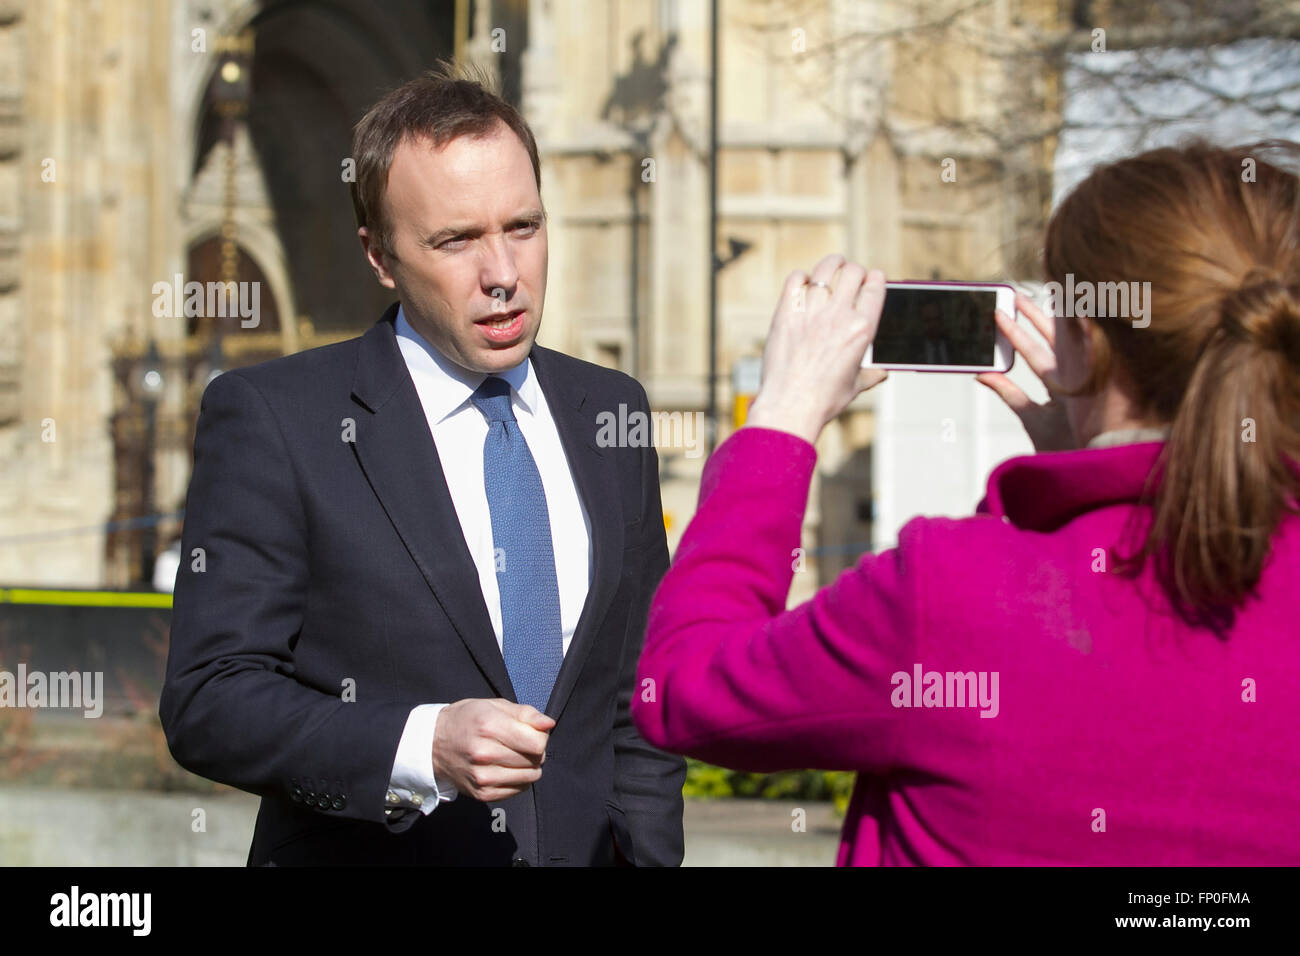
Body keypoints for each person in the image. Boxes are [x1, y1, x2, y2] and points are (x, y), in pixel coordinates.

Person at [632, 140, 1300, 865]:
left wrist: (780, 423)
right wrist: (1080, 470)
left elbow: (681, 689)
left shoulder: (951, 592)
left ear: (1087, 341)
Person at [160, 64, 685, 866]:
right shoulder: (278, 420)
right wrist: (420, 746)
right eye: (457, 240)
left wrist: (648, 855)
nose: (503, 274)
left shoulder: (609, 410)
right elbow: (209, 701)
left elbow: (639, 692)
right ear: (380, 255)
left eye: (523, 226)